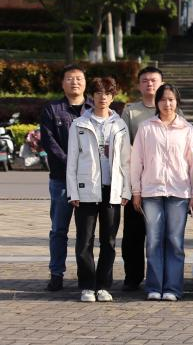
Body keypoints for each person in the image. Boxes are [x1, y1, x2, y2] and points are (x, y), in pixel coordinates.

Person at [130, 84, 193, 301]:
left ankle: (172, 288)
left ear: (177, 102)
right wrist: (136, 191)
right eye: (163, 100)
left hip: (179, 193)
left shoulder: (186, 129)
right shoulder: (146, 128)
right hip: (151, 192)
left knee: (175, 241)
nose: (167, 104)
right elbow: (136, 161)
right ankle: (154, 286)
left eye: (171, 99)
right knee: (153, 241)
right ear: (157, 102)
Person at [66, 77, 130, 302]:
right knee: (84, 240)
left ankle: (103, 286)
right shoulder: (79, 124)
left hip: (112, 189)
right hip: (86, 189)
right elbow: (72, 161)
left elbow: (126, 161)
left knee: (109, 241)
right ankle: (86, 286)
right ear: (91, 96)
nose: (103, 97)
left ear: (113, 97)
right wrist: (73, 192)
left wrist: (126, 191)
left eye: (108, 93)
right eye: (99, 93)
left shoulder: (120, 125)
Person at [120, 66, 180, 291]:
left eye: (154, 80)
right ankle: (133, 276)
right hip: (138, 180)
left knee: (163, 236)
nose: (149, 84)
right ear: (139, 85)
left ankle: (163, 279)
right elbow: (125, 146)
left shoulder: (174, 111)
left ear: (162, 83)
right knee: (134, 234)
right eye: (144, 80)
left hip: (167, 184)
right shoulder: (131, 111)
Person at [41, 64, 92, 291]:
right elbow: (49, 143)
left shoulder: (93, 109)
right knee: (59, 229)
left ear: (85, 83)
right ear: (62, 83)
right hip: (61, 179)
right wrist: (72, 165)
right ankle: (56, 273)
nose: (75, 82)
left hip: (89, 181)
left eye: (79, 78)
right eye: (70, 78)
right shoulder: (52, 110)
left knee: (86, 231)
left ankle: (85, 274)